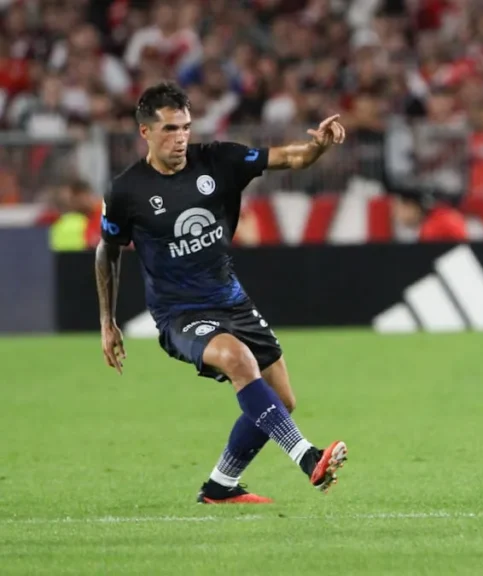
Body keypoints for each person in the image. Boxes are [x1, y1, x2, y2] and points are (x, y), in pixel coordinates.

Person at [96, 82, 348, 504]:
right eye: (170, 129)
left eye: (185, 127)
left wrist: (318, 146)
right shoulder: (126, 191)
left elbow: (291, 157)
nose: (180, 138)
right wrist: (107, 322)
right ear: (145, 132)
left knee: (280, 400)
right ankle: (308, 458)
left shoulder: (217, 160)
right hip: (179, 313)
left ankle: (220, 486)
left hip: (232, 300)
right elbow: (107, 251)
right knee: (237, 359)